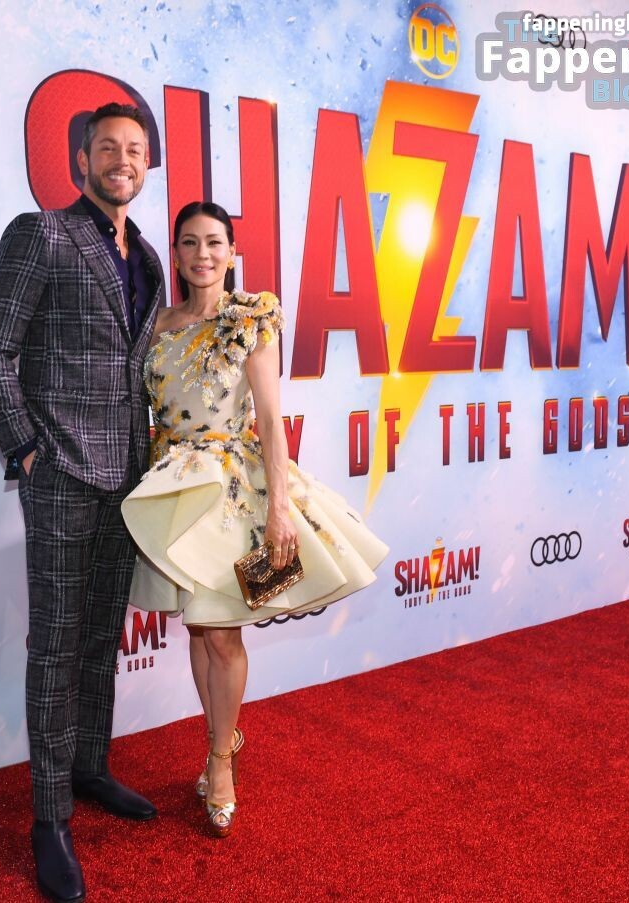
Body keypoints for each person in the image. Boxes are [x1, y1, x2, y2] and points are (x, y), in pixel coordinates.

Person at [121, 201, 388, 838]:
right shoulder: (157, 325)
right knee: (199, 627)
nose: (203, 254)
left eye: (215, 242)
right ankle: (219, 741)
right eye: (190, 242)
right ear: (175, 255)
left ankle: (221, 761)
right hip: (175, 490)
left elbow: (269, 418)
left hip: (233, 492)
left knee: (222, 634)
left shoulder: (252, 317)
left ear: (233, 252)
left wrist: (280, 511)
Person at [0, 102, 165, 903]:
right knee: (54, 646)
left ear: (147, 164)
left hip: (129, 479)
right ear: (81, 159)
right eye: (108, 147)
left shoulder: (147, 256)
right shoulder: (42, 234)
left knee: (98, 637)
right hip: (60, 474)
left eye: (136, 149)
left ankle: (90, 767)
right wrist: (26, 451)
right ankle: (49, 818)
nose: (123, 159)